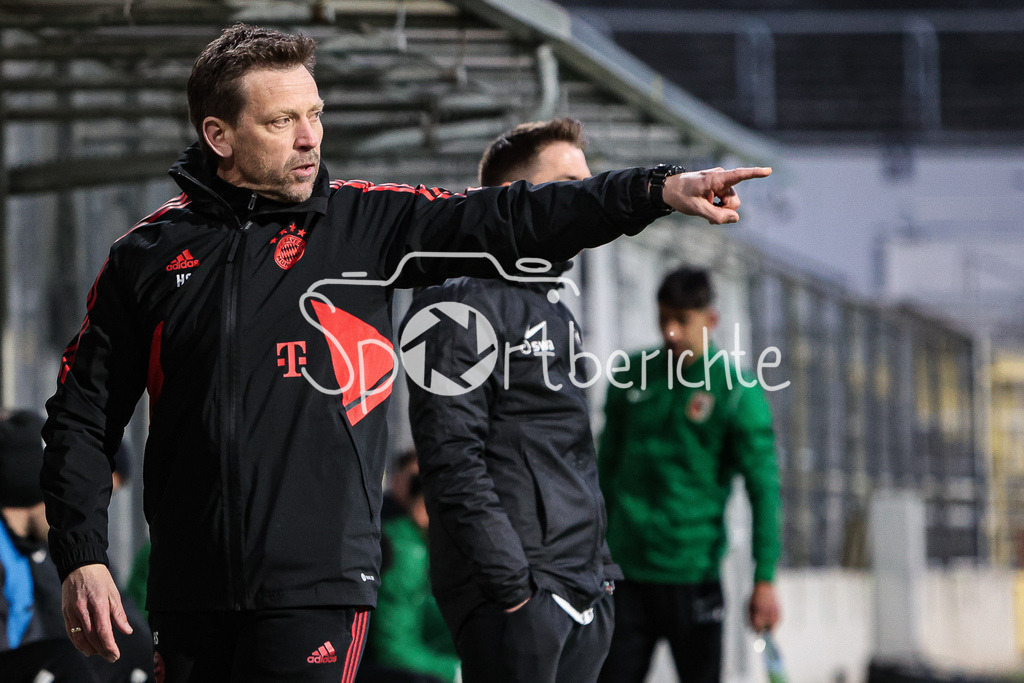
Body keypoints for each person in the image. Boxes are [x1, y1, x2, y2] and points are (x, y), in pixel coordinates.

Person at [39, 22, 771, 682]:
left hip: (321, 590)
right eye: (283, 119)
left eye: (315, 113)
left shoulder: (367, 223)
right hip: (189, 590)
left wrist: (656, 189)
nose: (309, 137)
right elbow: (81, 415)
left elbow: (514, 216)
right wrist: (83, 552)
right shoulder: (146, 256)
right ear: (219, 136)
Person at [402, 118, 619, 683]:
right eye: (569, 187)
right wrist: (516, 591)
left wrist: (601, 575)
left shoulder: (554, 309)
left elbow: (566, 456)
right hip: (520, 599)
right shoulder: (452, 307)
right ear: (510, 201)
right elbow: (450, 459)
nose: (586, 201)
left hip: (582, 591)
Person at [596, 266, 782, 682]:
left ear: (710, 320)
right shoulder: (631, 375)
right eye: (664, 319)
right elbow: (601, 471)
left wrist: (764, 577)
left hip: (693, 576)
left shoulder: (736, 391)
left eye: (682, 320)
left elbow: (763, 489)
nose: (671, 333)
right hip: (626, 577)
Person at [0, 410, 150, 683]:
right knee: (64, 659)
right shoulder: (23, 551)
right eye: (70, 502)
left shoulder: (38, 551)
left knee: (127, 650)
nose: (79, 518)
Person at [364, 475, 460, 683]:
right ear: (423, 508)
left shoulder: (424, 547)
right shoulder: (408, 553)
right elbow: (392, 646)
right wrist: (455, 671)